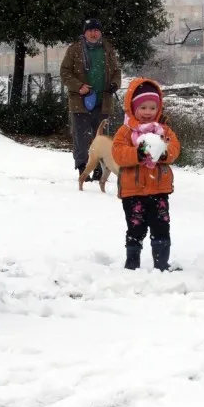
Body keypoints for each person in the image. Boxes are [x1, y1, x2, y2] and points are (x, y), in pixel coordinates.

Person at [111, 78, 181, 271]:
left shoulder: (163, 130)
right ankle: (132, 263)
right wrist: (138, 154)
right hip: (133, 191)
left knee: (161, 227)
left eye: (152, 108)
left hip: (159, 190)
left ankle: (161, 263)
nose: (148, 112)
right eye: (143, 107)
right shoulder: (125, 132)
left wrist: (163, 153)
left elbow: (175, 148)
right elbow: (118, 153)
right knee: (136, 228)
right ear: (133, 108)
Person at [60, 18, 122, 183]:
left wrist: (115, 84)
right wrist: (79, 86)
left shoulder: (108, 48)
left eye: (96, 30)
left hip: (103, 101)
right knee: (81, 137)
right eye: (90, 30)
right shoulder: (74, 49)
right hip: (80, 102)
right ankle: (83, 168)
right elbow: (65, 72)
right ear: (85, 33)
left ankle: (99, 169)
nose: (93, 34)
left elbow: (116, 71)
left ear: (100, 32)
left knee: (101, 138)